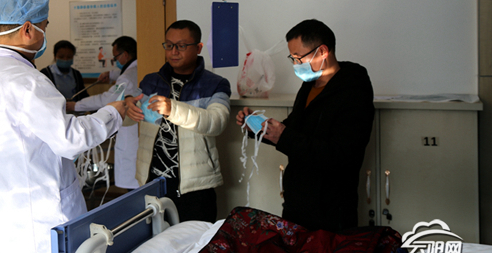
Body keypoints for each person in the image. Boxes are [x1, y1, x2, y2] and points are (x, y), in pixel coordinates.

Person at [0, 0, 127, 253]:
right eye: (44, 26)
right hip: (37, 218)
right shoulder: (26, 80)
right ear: (28, 29)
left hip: (0, 216)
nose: (44, 34)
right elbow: (70, 139)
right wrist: (114, 112)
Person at [236, 19, 374, 232]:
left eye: (299, 58)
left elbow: (342, 156)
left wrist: (284, 136)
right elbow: (294, 128)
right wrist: (259, 128)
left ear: (322, 51)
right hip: (297, 202)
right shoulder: (309, 85)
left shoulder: (354, 91)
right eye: (292, 58)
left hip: (331, 208)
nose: (295, 65)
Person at [126, 20, 231, 222]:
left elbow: (216, 122)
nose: (174, 52)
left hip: (194, 186)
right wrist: (126, 107)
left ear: (198, 48)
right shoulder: (150, 81)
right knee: (154, 239)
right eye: (169, 45)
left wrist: (172, 109)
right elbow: (129, 120)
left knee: (195, 239)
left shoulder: (215, 84)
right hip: (152, 181)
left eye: (181, 46)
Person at [67, 36, 140, 189]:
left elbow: (106, 99)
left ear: (125, 55)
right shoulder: (135, 70)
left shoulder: (127, 77)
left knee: (133, 180)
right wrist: (112, 74)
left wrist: (75, 105)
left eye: (116, 57)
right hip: (136, 130)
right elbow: (125, 77)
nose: (115, 61)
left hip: (132, 132)